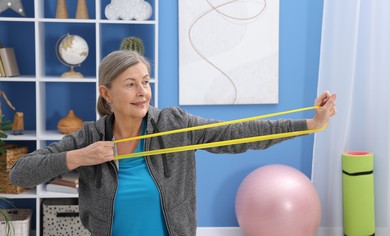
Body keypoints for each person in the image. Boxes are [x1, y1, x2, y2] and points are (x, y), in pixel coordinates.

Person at [10, 50, 337, 236]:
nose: (142, 91)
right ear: (106, 93)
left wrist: (310, 124)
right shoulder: (90, 137)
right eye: (130, 84)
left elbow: (239, 133)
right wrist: (78, 157)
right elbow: (19, 174)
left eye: (146, 82)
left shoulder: (173, 124)